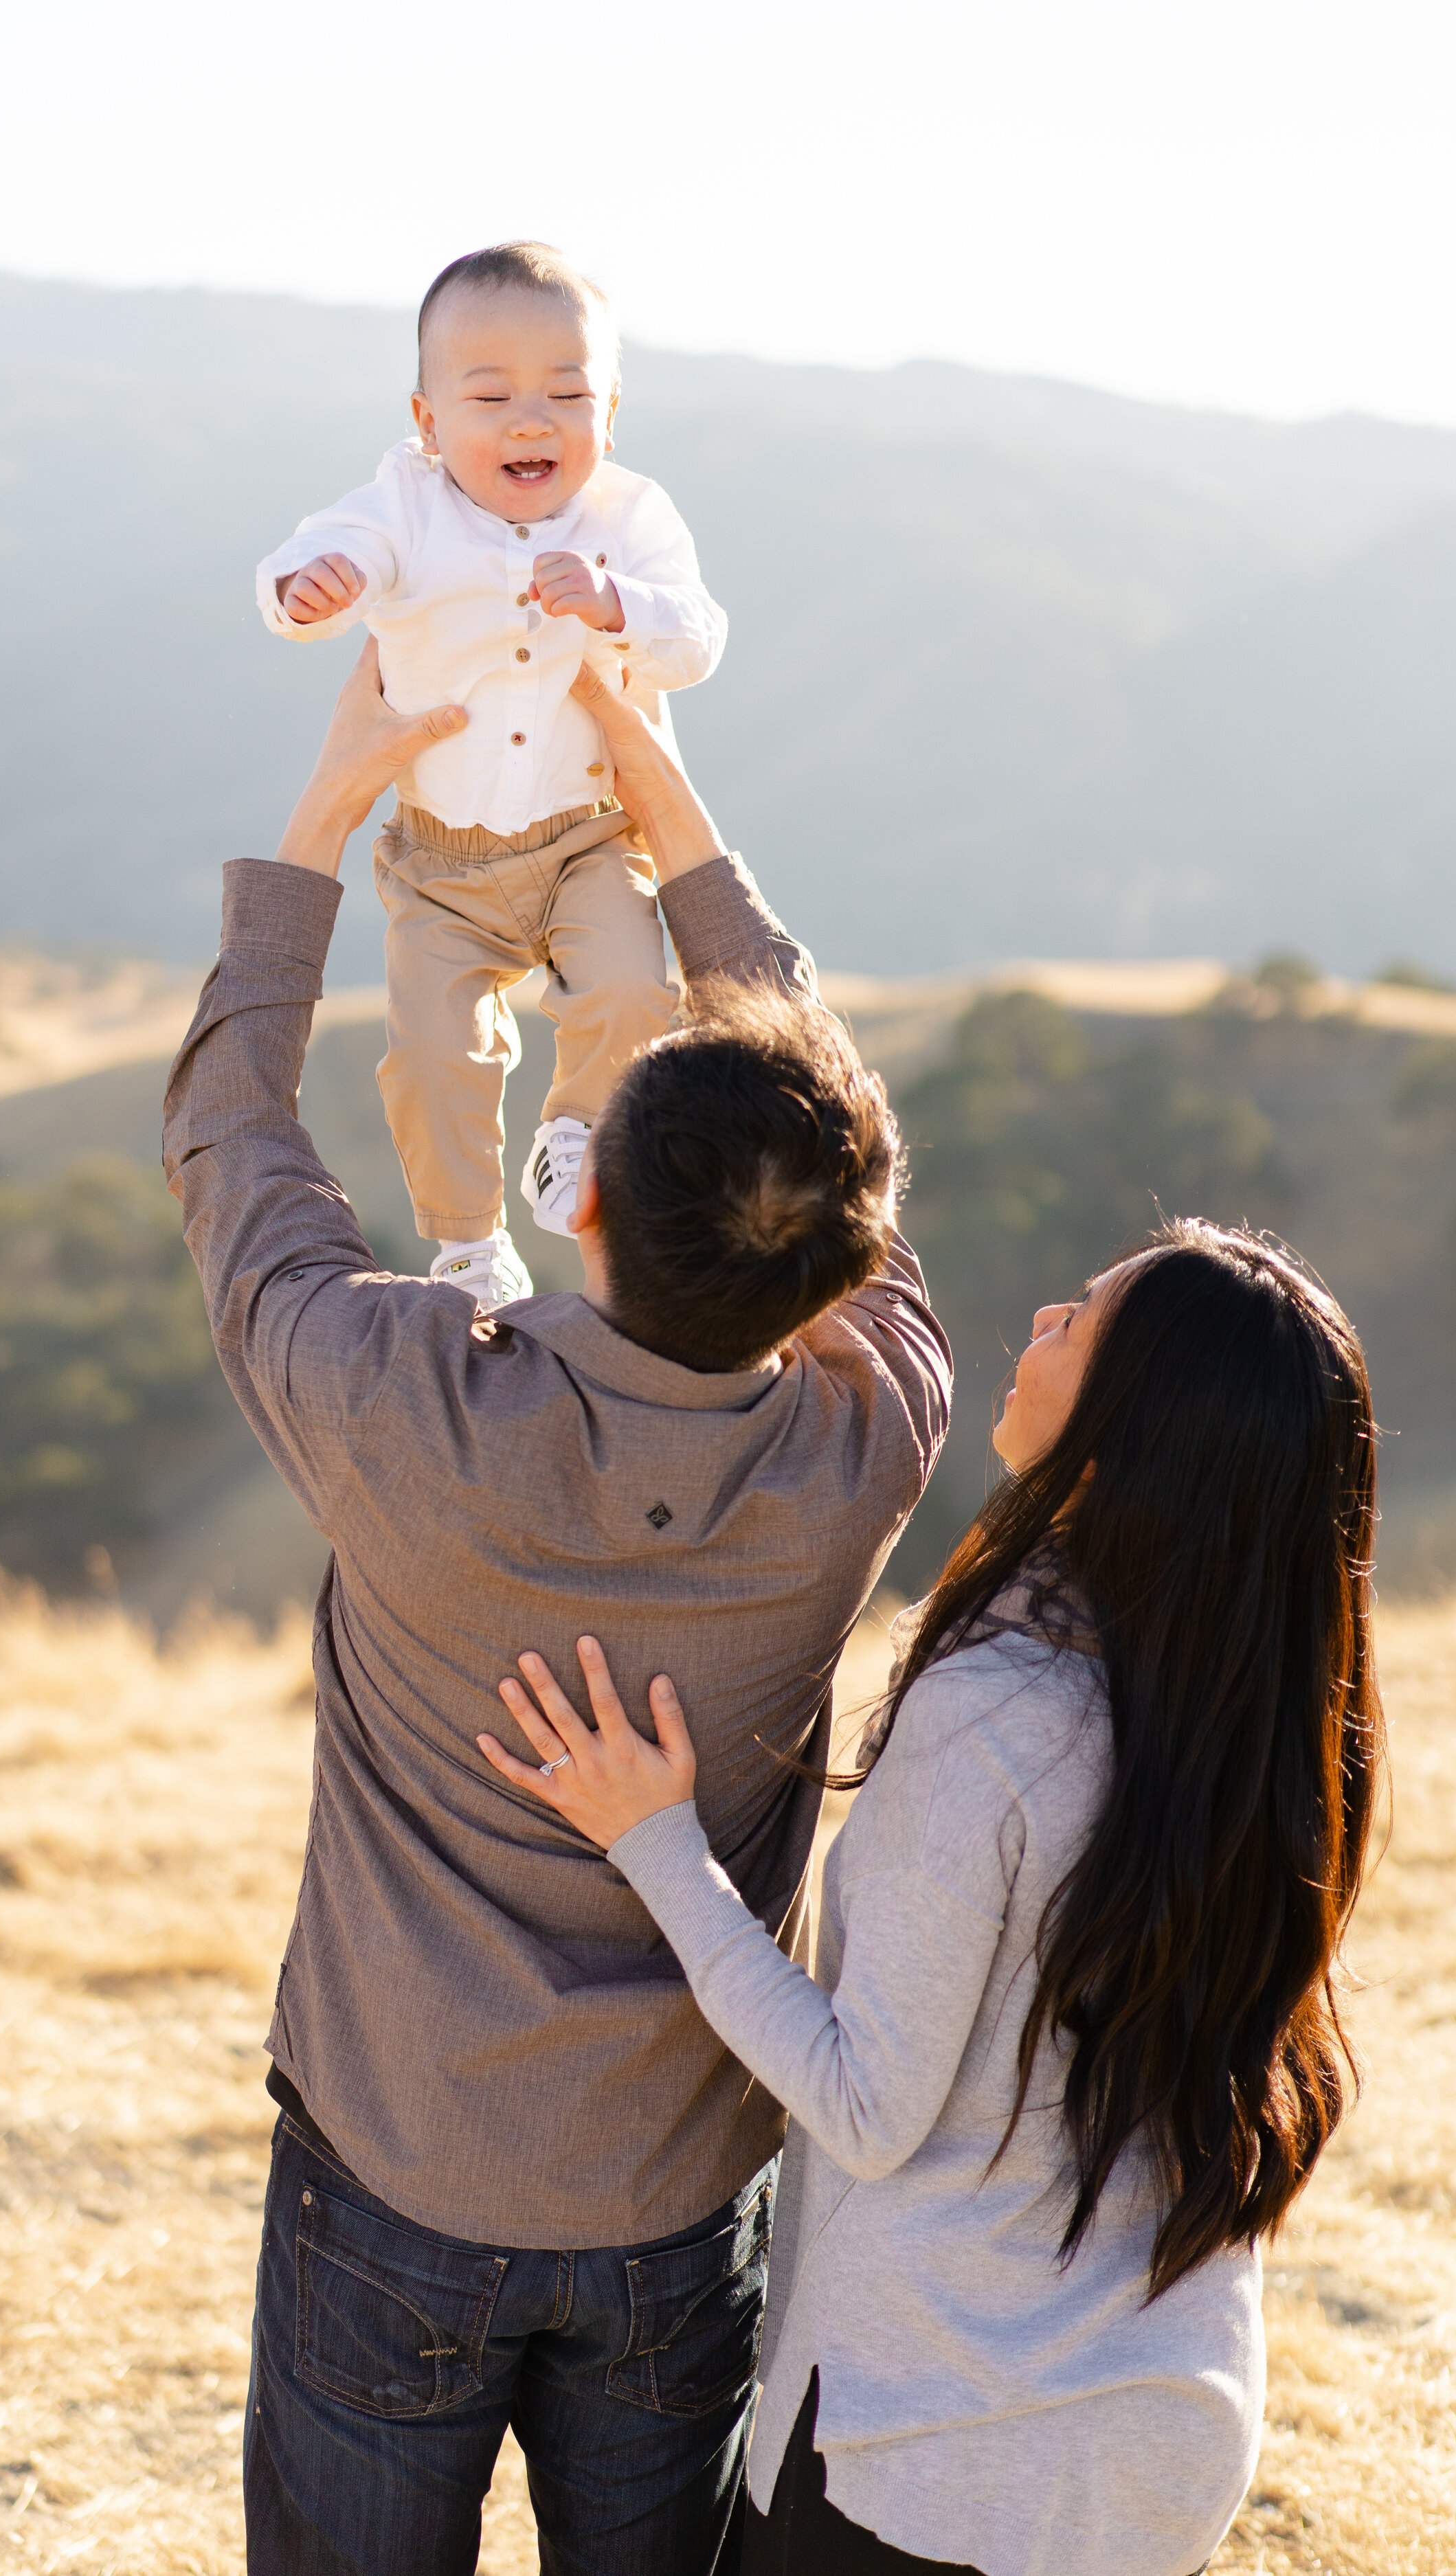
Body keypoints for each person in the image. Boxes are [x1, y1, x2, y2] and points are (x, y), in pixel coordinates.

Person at [163, 642, 951, 2573]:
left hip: (394, 2166)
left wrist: (322, 825)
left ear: (576, 1198)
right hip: (680, 2197)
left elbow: (233, 1146)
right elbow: (841, 1184)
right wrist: (670, 812)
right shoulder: (869, 1440)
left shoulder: (400, 1398)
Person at [484, 1224, 1384, 2576]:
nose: (1036, 1318)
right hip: (1157, 2449)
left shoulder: (995, 1719)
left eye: (1078, 1319)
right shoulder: (1263, 1730)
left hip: (932, 2462)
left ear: (1133, 1423)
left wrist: (656, 1843)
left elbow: (861, 2104)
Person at [256, 240, 727, 1308]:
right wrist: (310, 586)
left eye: (568, 392)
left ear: (611, 411)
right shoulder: (405, 506)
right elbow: (328, 553)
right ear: (427, 423)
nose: (531, 420)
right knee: (433, 1053)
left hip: (588, 836)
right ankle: (467, 1240)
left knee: (633, 991)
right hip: (442, 858)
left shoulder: (632, 521)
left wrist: (620, 604)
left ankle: (576, 1127)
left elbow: (696, 639)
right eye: (491, 395)